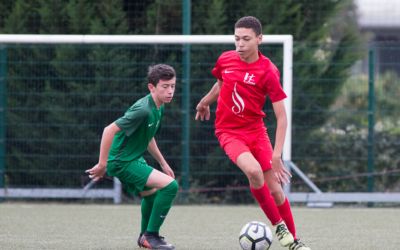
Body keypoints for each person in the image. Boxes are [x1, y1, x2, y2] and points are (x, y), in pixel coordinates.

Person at [195, 16, 311, 250]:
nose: (240, 44)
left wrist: (277, 155)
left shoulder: (268, 71)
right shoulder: (225, 60)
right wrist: (204, 102)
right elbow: (221, 84)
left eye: (246, 39)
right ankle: (279, 227)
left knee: (277, 191)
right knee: (253, 171)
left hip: (256, 132)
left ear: (259, 39)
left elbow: (282, 117)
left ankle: (294, 243)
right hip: (229, 132)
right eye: (237, 39)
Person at [86, 64, 178, 250]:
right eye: (165, 86)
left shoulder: (158, 107)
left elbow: (148, 135)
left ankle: (144, 238)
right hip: (122, 161)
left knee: (151, 195)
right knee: (170, 186)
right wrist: (103, 163)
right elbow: (109, 130)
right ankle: (151, 235)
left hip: (132, 158)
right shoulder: (143, 109)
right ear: (151, 87)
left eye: (173, 86)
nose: (170, 91)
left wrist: (162, 162)